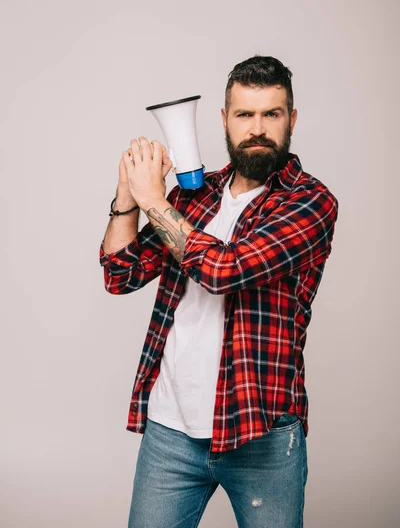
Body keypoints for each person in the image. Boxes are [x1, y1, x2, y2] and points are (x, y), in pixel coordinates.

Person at [99, 55, 339, 528]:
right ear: (224, 120)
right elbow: (119, 274)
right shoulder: (197, 196)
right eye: (244, 114)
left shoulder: (311, 202)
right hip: (170, 431)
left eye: (271, 114)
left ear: (291, 120)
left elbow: (224, 270)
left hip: (261, 433)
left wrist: (154, 200)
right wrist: (127, 198)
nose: (257, 128)